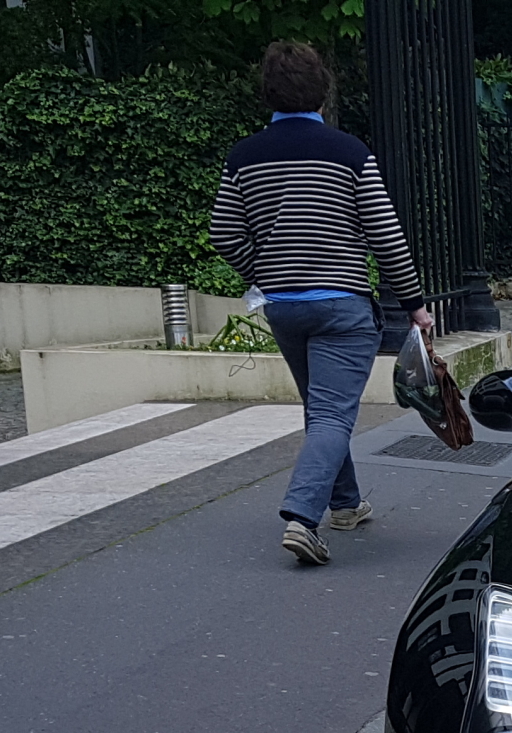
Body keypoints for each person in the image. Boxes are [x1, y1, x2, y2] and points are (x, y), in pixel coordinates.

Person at [209, 41, 430, 568]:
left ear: (268, 93)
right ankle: (302, 520)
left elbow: (223, 232)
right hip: (343, 304)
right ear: (323, 91)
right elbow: (385, 235)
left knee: (321, 406)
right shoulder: (349, 152)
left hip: (284, 306)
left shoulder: (242, 157)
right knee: (333, 411)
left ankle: (347, 505)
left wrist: (261, 272)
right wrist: (415, 303)